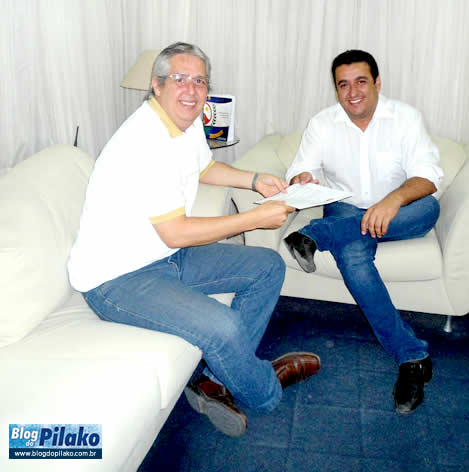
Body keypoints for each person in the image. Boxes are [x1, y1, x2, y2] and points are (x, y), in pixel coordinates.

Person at [67, 42, 320, 437]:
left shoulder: (183, 122)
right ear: (157, 85)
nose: (192, 90)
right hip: (117, 280)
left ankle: (217, 382)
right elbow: (177, 231)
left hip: (165, 257)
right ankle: (264, 390)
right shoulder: (143, 143)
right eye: (180, 79)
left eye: (200, 81)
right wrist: (253, 219)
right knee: (223, 327)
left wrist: (254, 180)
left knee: (268, 266)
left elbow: (203, 168)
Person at [283, 49, 443, 414]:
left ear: (377, 83)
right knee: (354, 259)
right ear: (336, 89)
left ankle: (317, 235)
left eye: (360, 82)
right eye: (343, 85)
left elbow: (428, 177)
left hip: (403, 209)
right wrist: (303, 178)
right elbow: (301, 170)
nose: (352, 92)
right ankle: (412, 357)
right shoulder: (322, 123)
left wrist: (392, 200)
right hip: (347, 207)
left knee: (430, 208)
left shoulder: (405, 118)